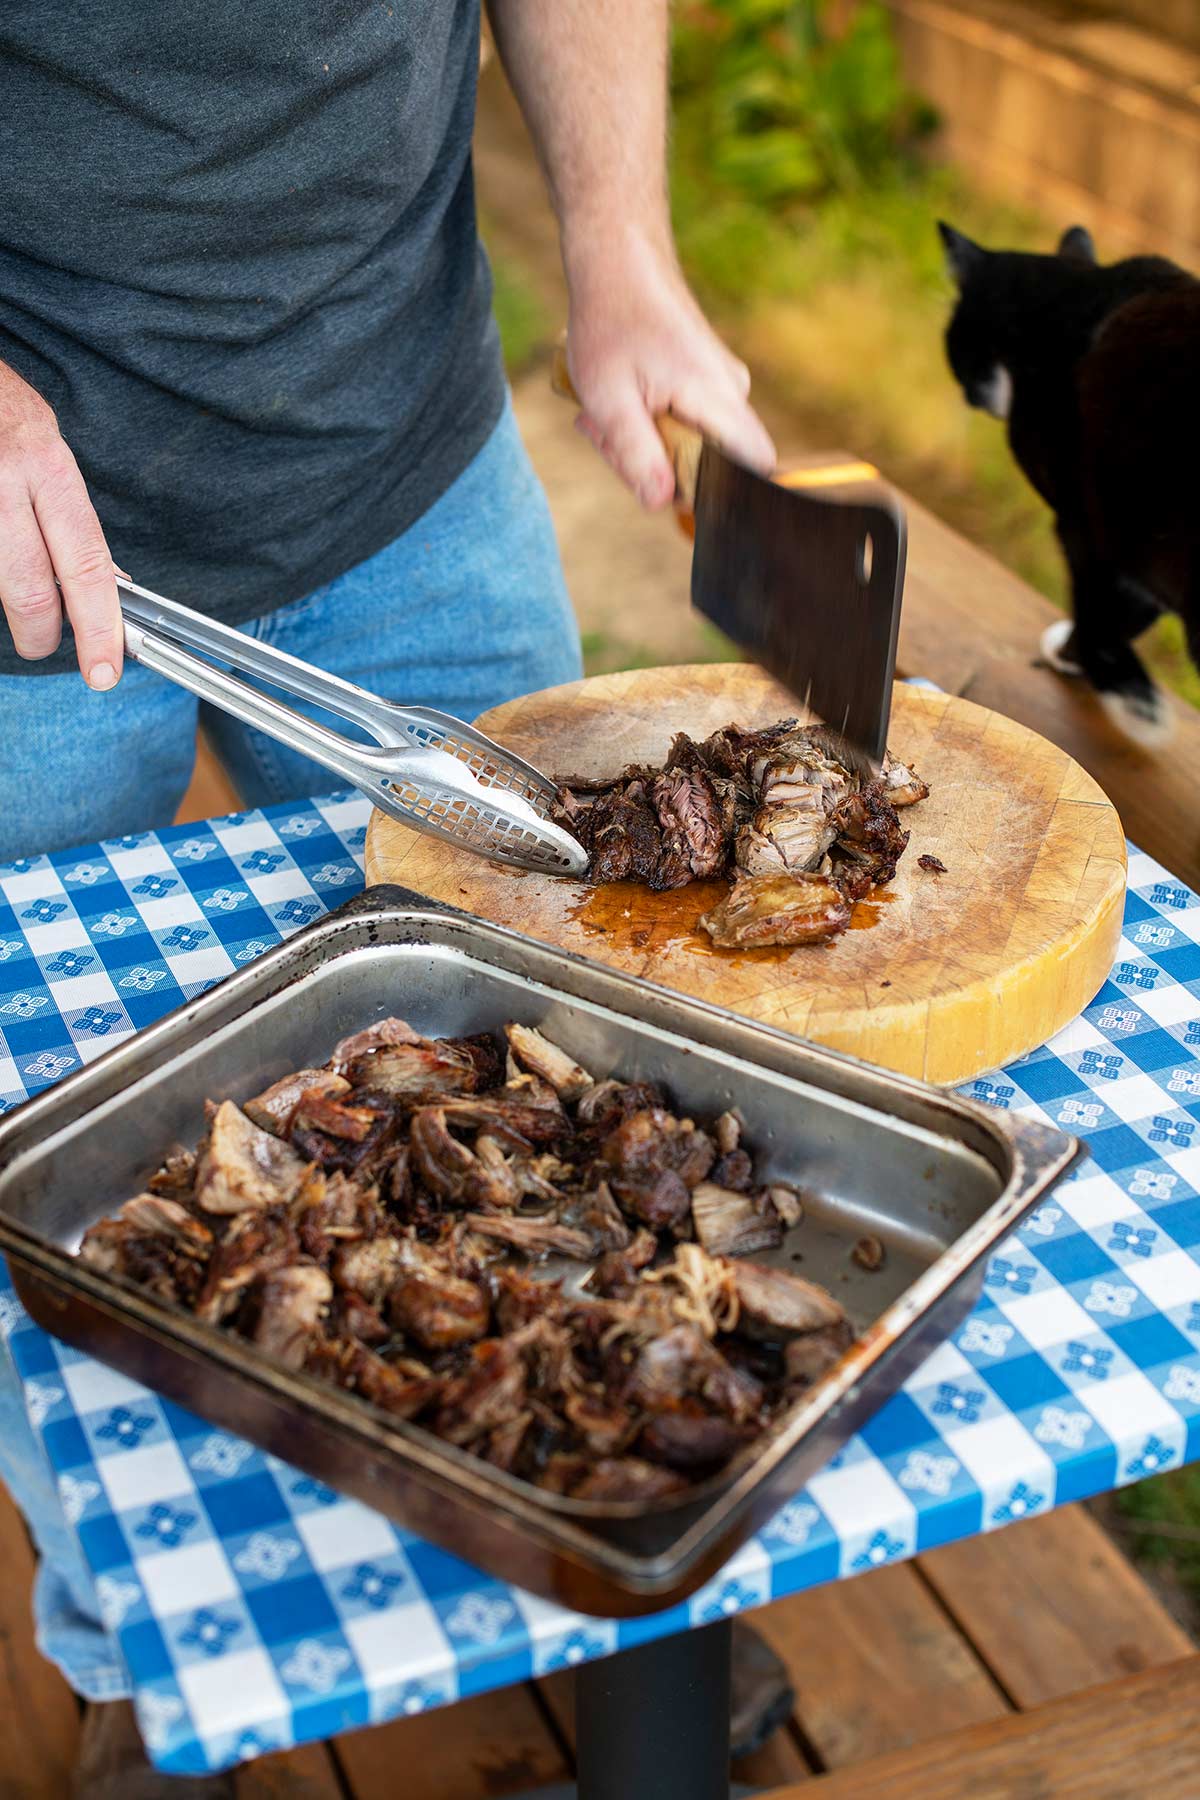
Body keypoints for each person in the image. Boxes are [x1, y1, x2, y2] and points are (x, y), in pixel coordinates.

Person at [0, 4, 780, 1790]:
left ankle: (633, 1553)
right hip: (23, 560)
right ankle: (157, 1646)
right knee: (55, 1153)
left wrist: (621, 243)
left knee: (603, 1057)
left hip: (406, 461)